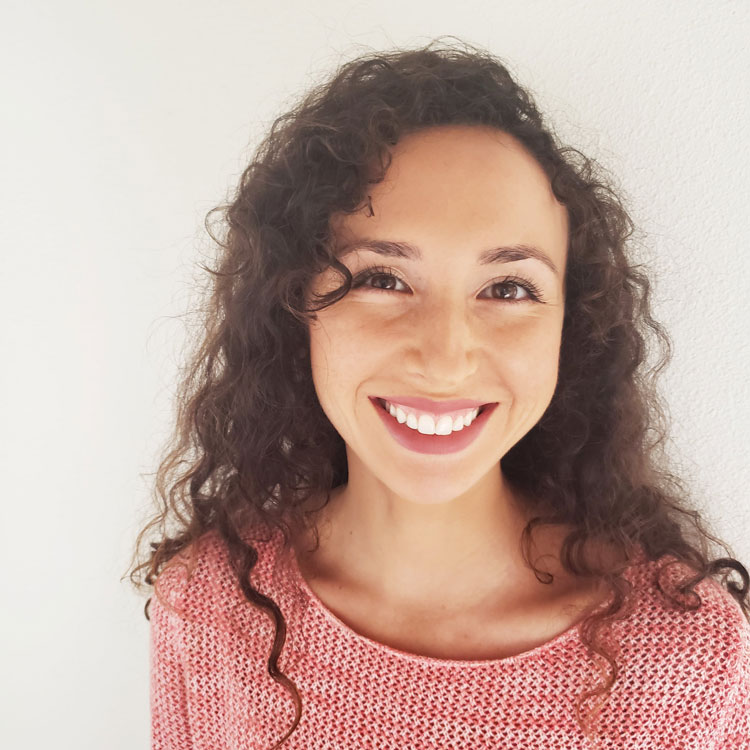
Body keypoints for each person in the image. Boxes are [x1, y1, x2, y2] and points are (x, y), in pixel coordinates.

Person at [128, 38, 750, 749]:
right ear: (292, 306)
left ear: (570, 331)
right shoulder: (208, 606)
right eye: (382, 279)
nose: (446, 357)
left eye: (509, 288)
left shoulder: (688, 658)